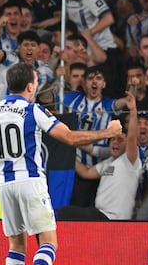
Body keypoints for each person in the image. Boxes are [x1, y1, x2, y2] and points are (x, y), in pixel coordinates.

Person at [0, 62, 122, 265]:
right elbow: (69, 138)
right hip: (30, 181)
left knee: (16, 245)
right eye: (37, 82)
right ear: (30, 86)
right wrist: (109, 132)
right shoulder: (33, 110)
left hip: (4, 186)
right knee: (49, 241)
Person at [59, 91, 140, 221]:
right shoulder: (108, 162)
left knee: (64, 213)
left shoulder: (130, 161)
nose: (115, 142)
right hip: (100, 215)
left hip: (115, 218)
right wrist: (65, 152)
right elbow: (85, 172)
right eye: (112, 139)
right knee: (64, 212)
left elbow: (132, 138)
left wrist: (133, 111)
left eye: (120, 139)